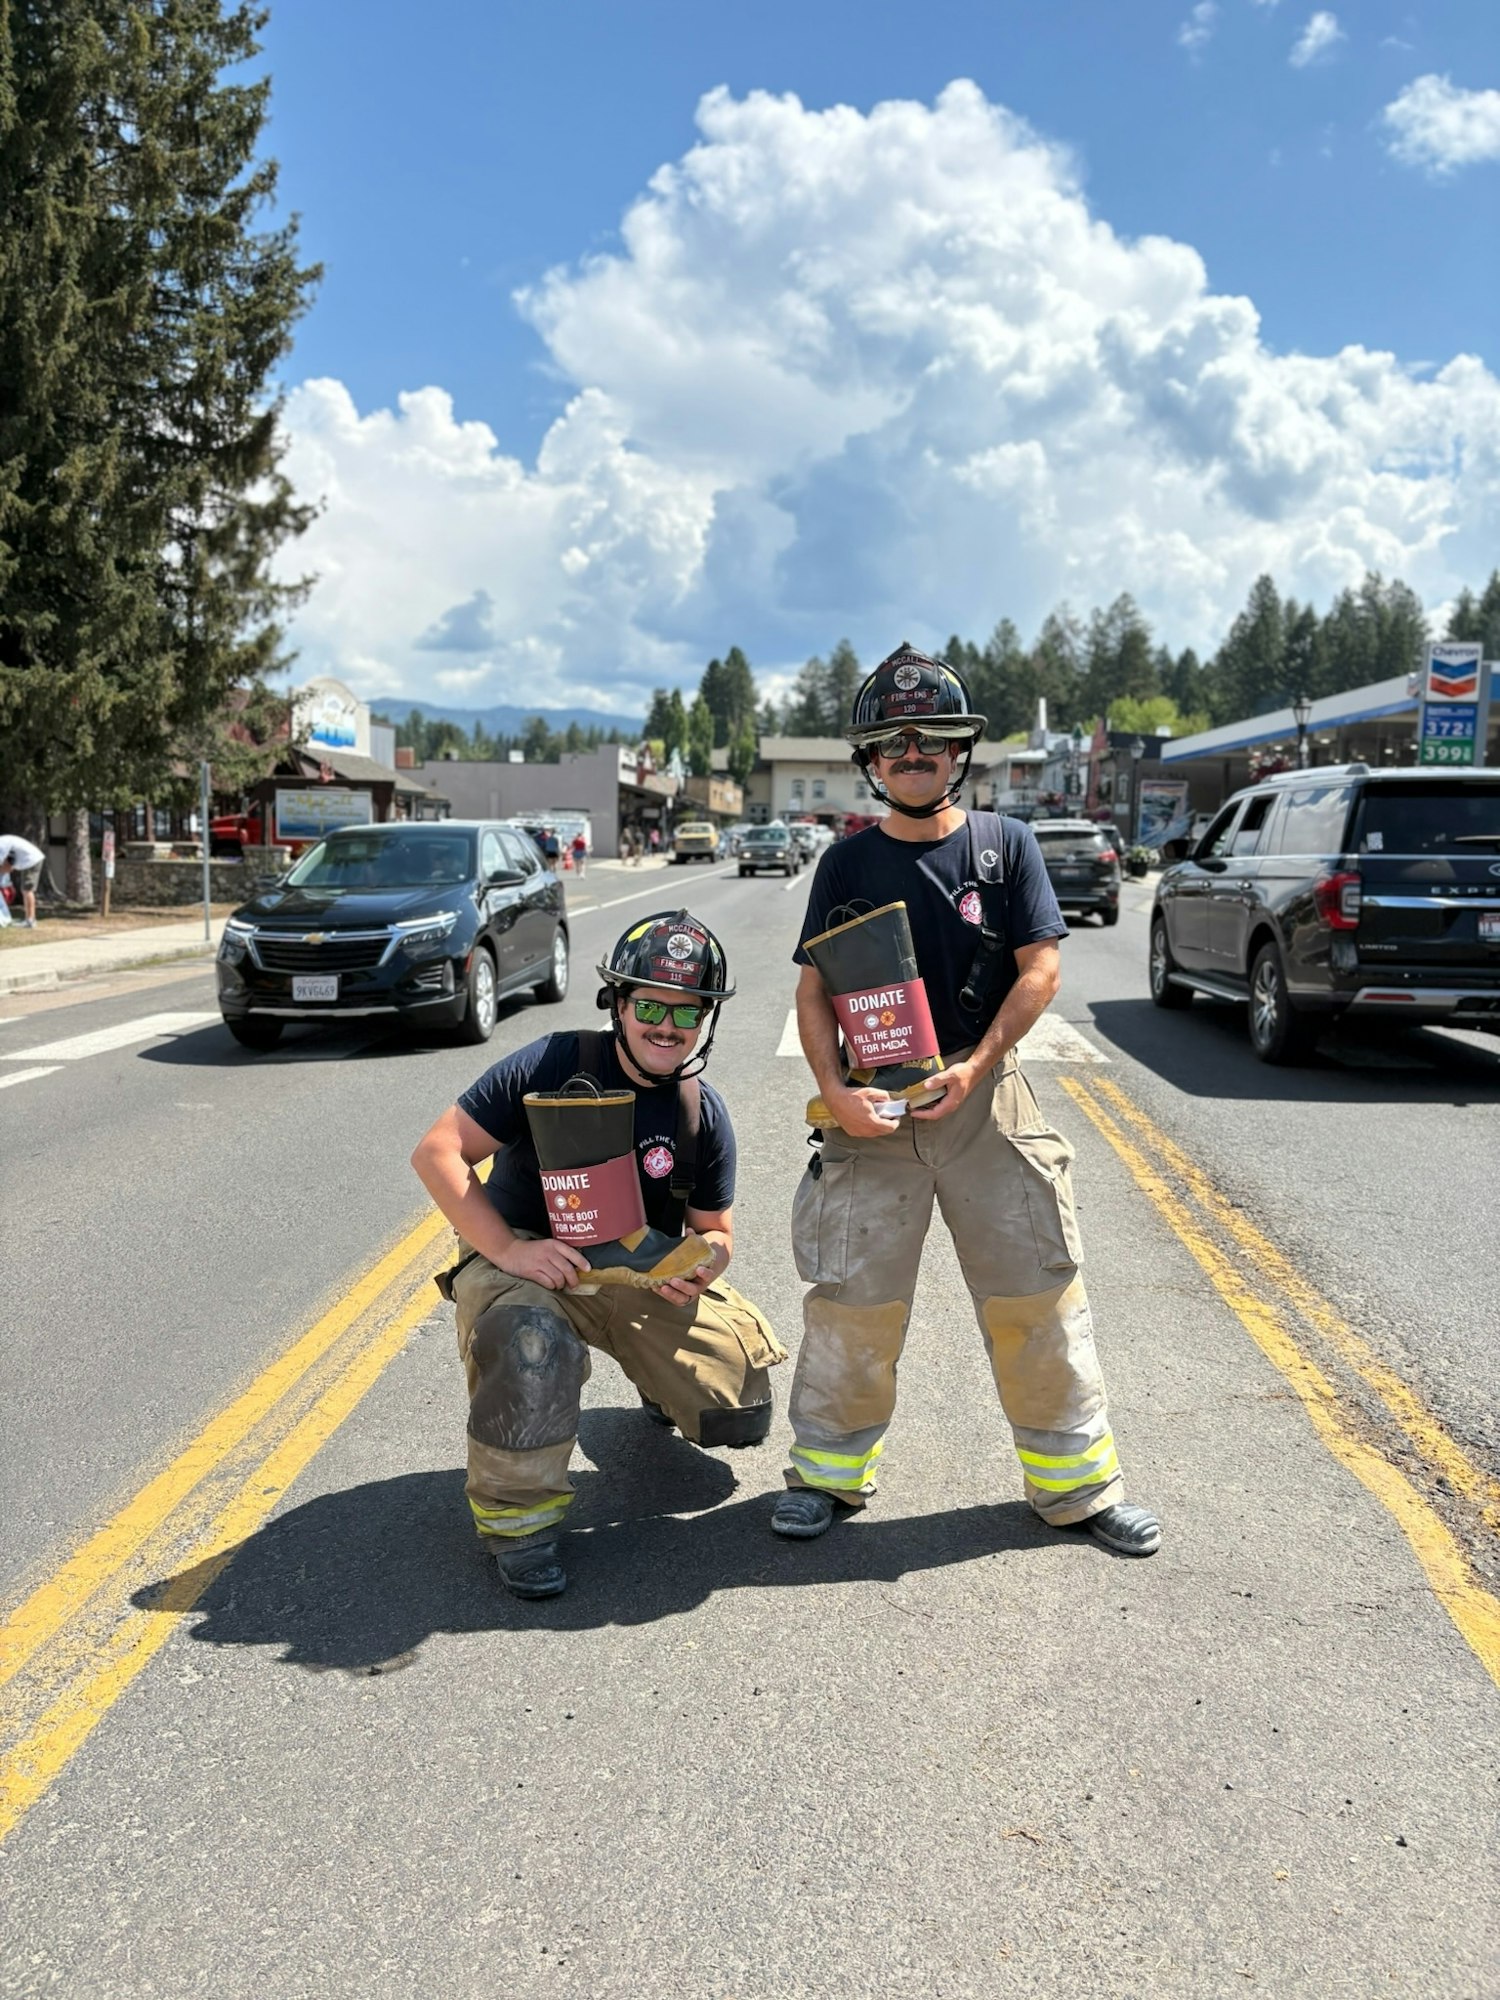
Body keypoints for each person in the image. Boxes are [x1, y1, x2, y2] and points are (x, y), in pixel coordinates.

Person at [773, 645, 1160, 1557]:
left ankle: (1075, 1489)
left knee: (1037, 1291)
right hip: (876, 1111)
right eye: (894, 746)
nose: (914, 757)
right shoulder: (844, 866)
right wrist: (836, 1094)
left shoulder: (1006, 845)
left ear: (960, 754)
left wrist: (979, 1066)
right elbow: (816, 993)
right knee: (850, 1302)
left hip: (986, 1099)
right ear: (872, 763)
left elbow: (1042, 968)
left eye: (932, 742)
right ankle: (828, 1476)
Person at [412, 910, 785, 1599]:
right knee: (530, 1342)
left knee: (739, 1409)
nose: (666, 1026)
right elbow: (438, 1152)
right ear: (618, 1003)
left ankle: (655, 1383)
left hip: (636, 1273)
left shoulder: (702, 1113)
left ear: (706, 1020)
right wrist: (506, 1250)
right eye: (650, 1004)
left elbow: (715, 1228)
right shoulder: (554, 1062)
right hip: (528, 1263)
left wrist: (708, 1261)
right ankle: (518, 1522)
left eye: (688, 1011)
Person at [0, 833, 45, 928]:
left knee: (27, 890)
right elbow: (8, 864)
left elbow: (8, 866)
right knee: (26, 890)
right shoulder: (3, 842)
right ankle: (29, 919)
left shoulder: (1, 845)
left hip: (31, 860)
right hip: (30, 859)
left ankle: (30, 921)